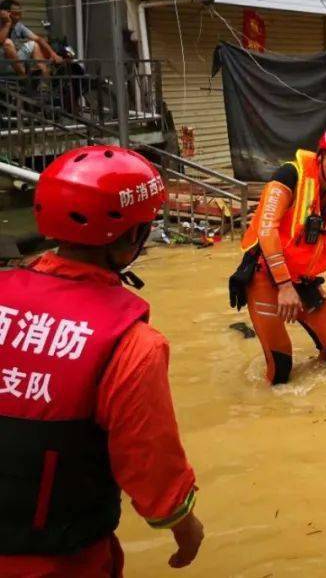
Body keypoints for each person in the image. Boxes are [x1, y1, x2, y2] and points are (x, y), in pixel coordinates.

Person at [0, 146, 204, 574]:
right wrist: (184, 525)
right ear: (132, 238)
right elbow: (149, 462)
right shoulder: (132, 345)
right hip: (59, 558)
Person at [232, 124, 326, 385]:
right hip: (266, 276)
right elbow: (267, 230)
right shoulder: (289, 176)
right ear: (321, 155)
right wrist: (284, 285)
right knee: (280, 370)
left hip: (304, 280)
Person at [0, 0, 62, 78]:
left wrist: (53, 54)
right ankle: (24, 78)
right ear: (6, 13)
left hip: (14, 64)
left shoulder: (18, 26)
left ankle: (45, 80)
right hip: (2, 64)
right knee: (7, 42)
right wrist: (7, 23)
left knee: (34, 45)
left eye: (20, 13)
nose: (19, 17)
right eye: (16, 14)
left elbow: (38, 39)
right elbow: (1, 41)